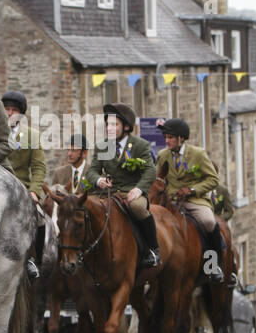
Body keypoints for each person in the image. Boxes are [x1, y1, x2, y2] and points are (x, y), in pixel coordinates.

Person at [156, 117, 233, 287]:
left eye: (170, 137)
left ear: (181, 138)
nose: (167, 141)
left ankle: (214, 266)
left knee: (208, 221)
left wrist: (191, 190)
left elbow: (213, 179)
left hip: (194, 200)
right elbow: (159, 178)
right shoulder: (162, 155)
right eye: (166, 137)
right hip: (171, 201)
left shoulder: (198, 154)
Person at [84, 102, 159, 268]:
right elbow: (92, 171)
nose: (109, 128)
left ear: (126, 126)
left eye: (114, 124)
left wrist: (138, 189)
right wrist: (99, 180)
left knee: (138, 208)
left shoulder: (140, 145)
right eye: (107, 124)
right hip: (107, 194)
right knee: (84, 208)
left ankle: (153, 250)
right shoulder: (102, 146)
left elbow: (150, 171)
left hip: (131, 193)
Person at [1, 90, 47, 277]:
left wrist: (34, 192)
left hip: (22, 189)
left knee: (40, 218)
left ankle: (33, 259)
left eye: (14, 110)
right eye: (7, 109)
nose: (10, 113)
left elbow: (39, 168)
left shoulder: (32, 136)